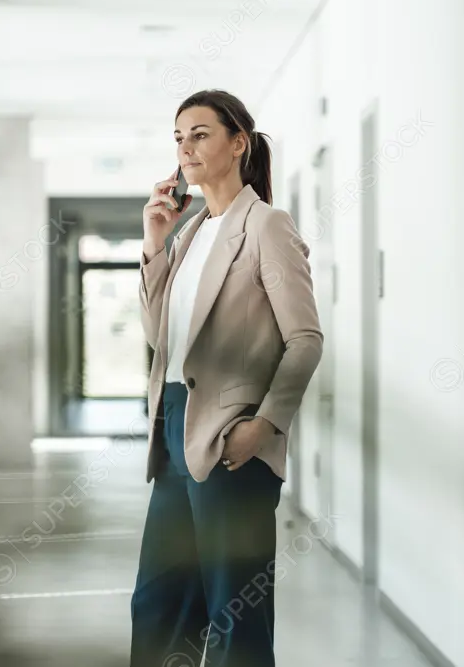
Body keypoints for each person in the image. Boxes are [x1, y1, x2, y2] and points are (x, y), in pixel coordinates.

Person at [130, 89, 323, 667]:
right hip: (171, 433)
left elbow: (305, 341)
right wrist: (154, 241)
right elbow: (157, 332)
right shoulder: (188, 232)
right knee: (159, 602)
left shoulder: (265, 224)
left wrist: (263, 426)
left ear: (238, 143)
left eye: (200, 133)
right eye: (179, 137)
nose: (186, 147)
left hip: (230, 439)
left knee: (233, 613)